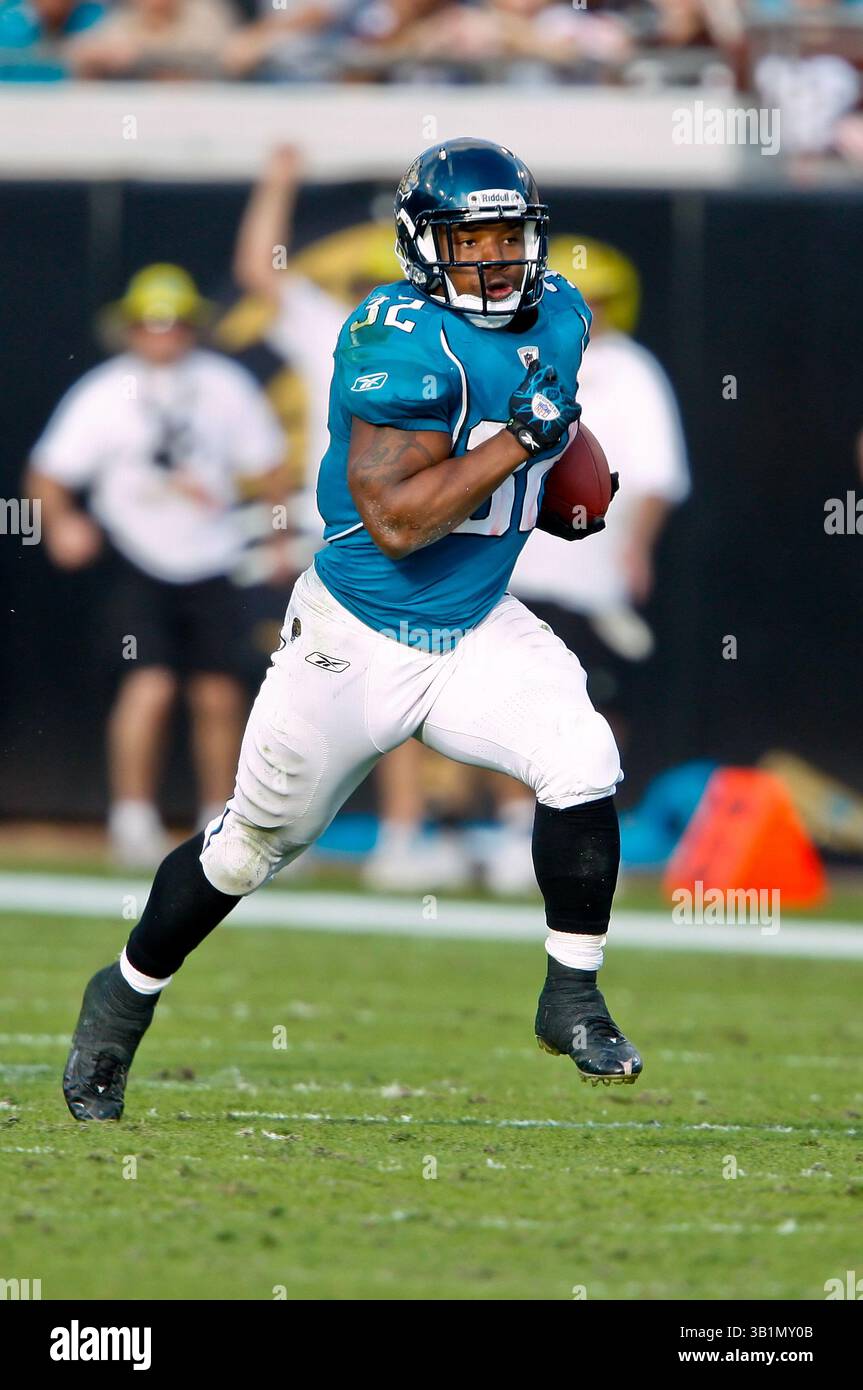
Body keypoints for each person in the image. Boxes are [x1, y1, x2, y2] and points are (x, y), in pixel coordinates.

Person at [62, 138, 643, 1124]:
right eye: (473, 241)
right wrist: (522, 441)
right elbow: (400, 521)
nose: (498, 260)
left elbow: (545, 439)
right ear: (423, 248)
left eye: (511, 236)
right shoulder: (393, 337)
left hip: (473, 623)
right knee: (248, 846)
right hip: (355, 632)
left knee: (582, 758)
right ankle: (119, 1000)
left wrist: (559, 474)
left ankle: (570, 993)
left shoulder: (563, 314)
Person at [27, 263, 286, 867]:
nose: (163, 335)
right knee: (149, 685)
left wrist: (276, 537)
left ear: (192, 327)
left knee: (218, 693)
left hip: (214, 556)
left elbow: (270, 464)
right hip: (137, 557)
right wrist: (61, 523)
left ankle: (220, 820)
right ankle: (133, 816)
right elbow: (47, 475)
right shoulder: (102, 390)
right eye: (151, 324)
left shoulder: (224, 385)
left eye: (174, 324)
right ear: (133, 330)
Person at [487, 236, 690, 892]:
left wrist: (634, 548)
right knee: (502, 695)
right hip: (515, 564)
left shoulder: (630, 370)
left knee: (589, 700)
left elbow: (657, 475)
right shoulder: (517, 358)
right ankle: (516, 828)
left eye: (596, 302)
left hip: (588, 569)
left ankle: (581, 826)